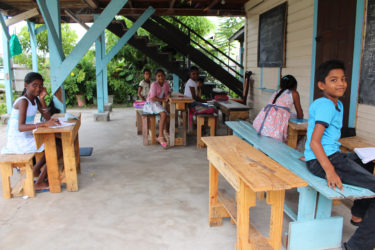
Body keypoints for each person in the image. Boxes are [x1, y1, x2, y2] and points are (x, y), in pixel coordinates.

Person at [304, 60, 375, 250]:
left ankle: (358, 215)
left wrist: (311, 156)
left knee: (367, 161)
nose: (341, 83)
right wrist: (330, 171)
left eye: (343, 79)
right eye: (334, 80)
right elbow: (314, 141)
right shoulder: (326, 105)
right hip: (326, 161)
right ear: (322, 85)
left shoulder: (337, 104)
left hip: (328, 156)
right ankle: (357, 246)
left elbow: (318, 140)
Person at [1, 72, 61, 190]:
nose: (38, 88)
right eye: (34, 85)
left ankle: (35, 170)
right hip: (19, 141)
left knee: (56, 144)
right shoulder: (23, 101)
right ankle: (39, 182)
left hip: (27, 137)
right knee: (56, 147)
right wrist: (43, 124)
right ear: (26, 85)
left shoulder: (34, 99)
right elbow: (21, 127)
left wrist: (42, 99)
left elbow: (47, 117)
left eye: (40, 85)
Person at [252, 75, 303, 142]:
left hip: (262, 126)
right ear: (294, 86)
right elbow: (300, 113)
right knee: (298, 136)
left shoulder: (276, 92)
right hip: (274, 132)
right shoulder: (294, 93)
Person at [143, 69, 170, 148]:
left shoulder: (166, 84)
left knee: (168, 117)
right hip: (151, 103)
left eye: (162, 75)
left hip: (157, 104)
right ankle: (160, 136)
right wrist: (164, 100)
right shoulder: (154, 84)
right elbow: (153, 97)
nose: (160, 77)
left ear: (164, 76)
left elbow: (168, 91)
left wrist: (168, 94)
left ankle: (166, 132)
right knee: (164, 114)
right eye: (158, 76)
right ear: (156, 77)